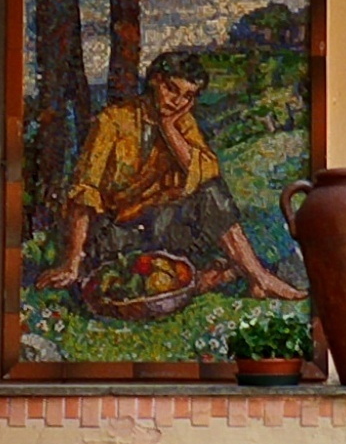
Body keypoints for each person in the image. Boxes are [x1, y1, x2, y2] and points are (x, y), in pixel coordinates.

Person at [48, 59, 303, 301]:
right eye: (171, 89)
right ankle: (227, 277)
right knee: (142, 269)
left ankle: (254, 276)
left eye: (188, 96)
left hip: (159, 225)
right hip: (116, 231)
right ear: (155, 82)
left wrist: (169, 128)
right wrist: (72, 262)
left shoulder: (182, 121)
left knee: (209, 192)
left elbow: (205, 172)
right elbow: (85, 192)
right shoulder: (112, 121)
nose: (177, 102)